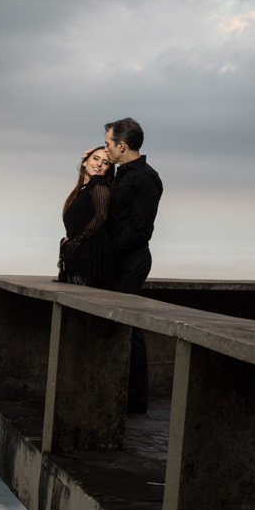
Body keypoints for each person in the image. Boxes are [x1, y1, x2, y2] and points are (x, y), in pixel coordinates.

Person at [103, 117, 163, 414]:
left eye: (108, 144)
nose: (106, 148)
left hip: (132, 261)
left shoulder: (145, 177)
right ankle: (125, 397)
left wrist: (109, 250)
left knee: (129, 328)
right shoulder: (120, 174)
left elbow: (141, 228)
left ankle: (136, 401)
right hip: (117, 260)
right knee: (120, 326)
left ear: (122, 145)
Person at [57, 146, 116, 289]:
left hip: (91, 261)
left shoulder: (99, 185)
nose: (99, 163)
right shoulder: (82, 191)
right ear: (85, 161)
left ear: (108, 169)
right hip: (79, 259)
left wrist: (73, 242)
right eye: (95, 158)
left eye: (106, 162)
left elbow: (100, 219)